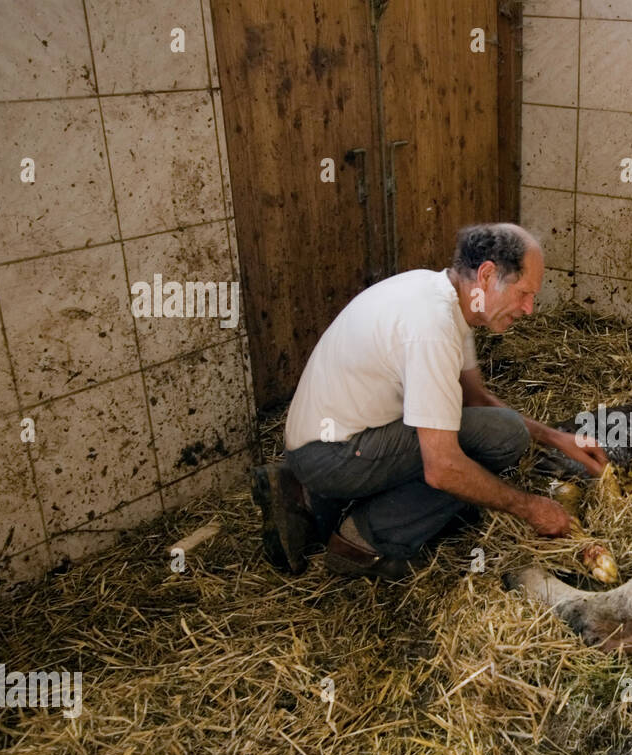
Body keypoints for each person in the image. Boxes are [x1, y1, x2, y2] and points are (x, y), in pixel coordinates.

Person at [251, 222, 607, 579]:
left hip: (335, 442)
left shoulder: (443, 294)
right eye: (524, 293)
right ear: (487, 275)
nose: (528, 309)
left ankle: (311, 500)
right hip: (331, 456)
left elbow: (476, 401)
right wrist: (531, 508)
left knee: (505, 434)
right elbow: (442, 468)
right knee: (478, 454)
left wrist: (557, 438)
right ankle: (363, 542)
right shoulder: (431, 328)